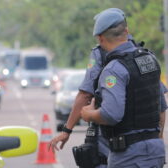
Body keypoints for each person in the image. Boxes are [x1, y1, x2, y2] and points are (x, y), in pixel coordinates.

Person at [48, 8, 167, 168]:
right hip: (155, 150)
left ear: (100, 38)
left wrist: (85, 116)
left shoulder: (111, 65)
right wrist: (156, 140)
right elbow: (161, 106)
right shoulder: (149, 59)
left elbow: (102, 107)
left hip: (124, 151)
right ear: (126, 30)